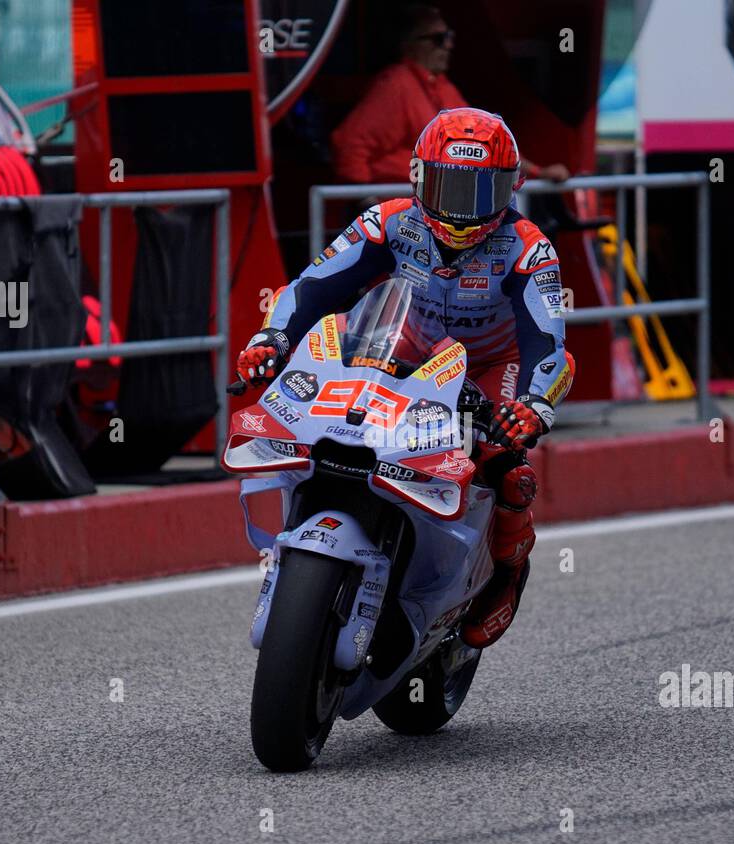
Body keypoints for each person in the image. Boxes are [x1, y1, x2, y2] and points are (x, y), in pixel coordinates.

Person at [238, 107, 574, 649]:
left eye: (480, 192)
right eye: (449, 186)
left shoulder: (529, 248)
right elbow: (310, 289)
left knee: (505, 466)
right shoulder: (387, 220)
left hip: (490, 367)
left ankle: (507, 575)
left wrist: (534, 403)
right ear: (418, 176)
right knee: (327, 417)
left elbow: (549, 342)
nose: (463, 210)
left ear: (512, 187)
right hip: (399, 350)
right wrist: (271, 339)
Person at [330, 3, 569, 186]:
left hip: (440, 207)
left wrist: (538, 172)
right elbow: (350, 145)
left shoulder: (444, 88)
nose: (448, 45)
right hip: (402, 214)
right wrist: (367, 207)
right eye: (438, 39)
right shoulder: (396, 84)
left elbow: (486, 142)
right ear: (409, 44)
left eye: (449, 37)